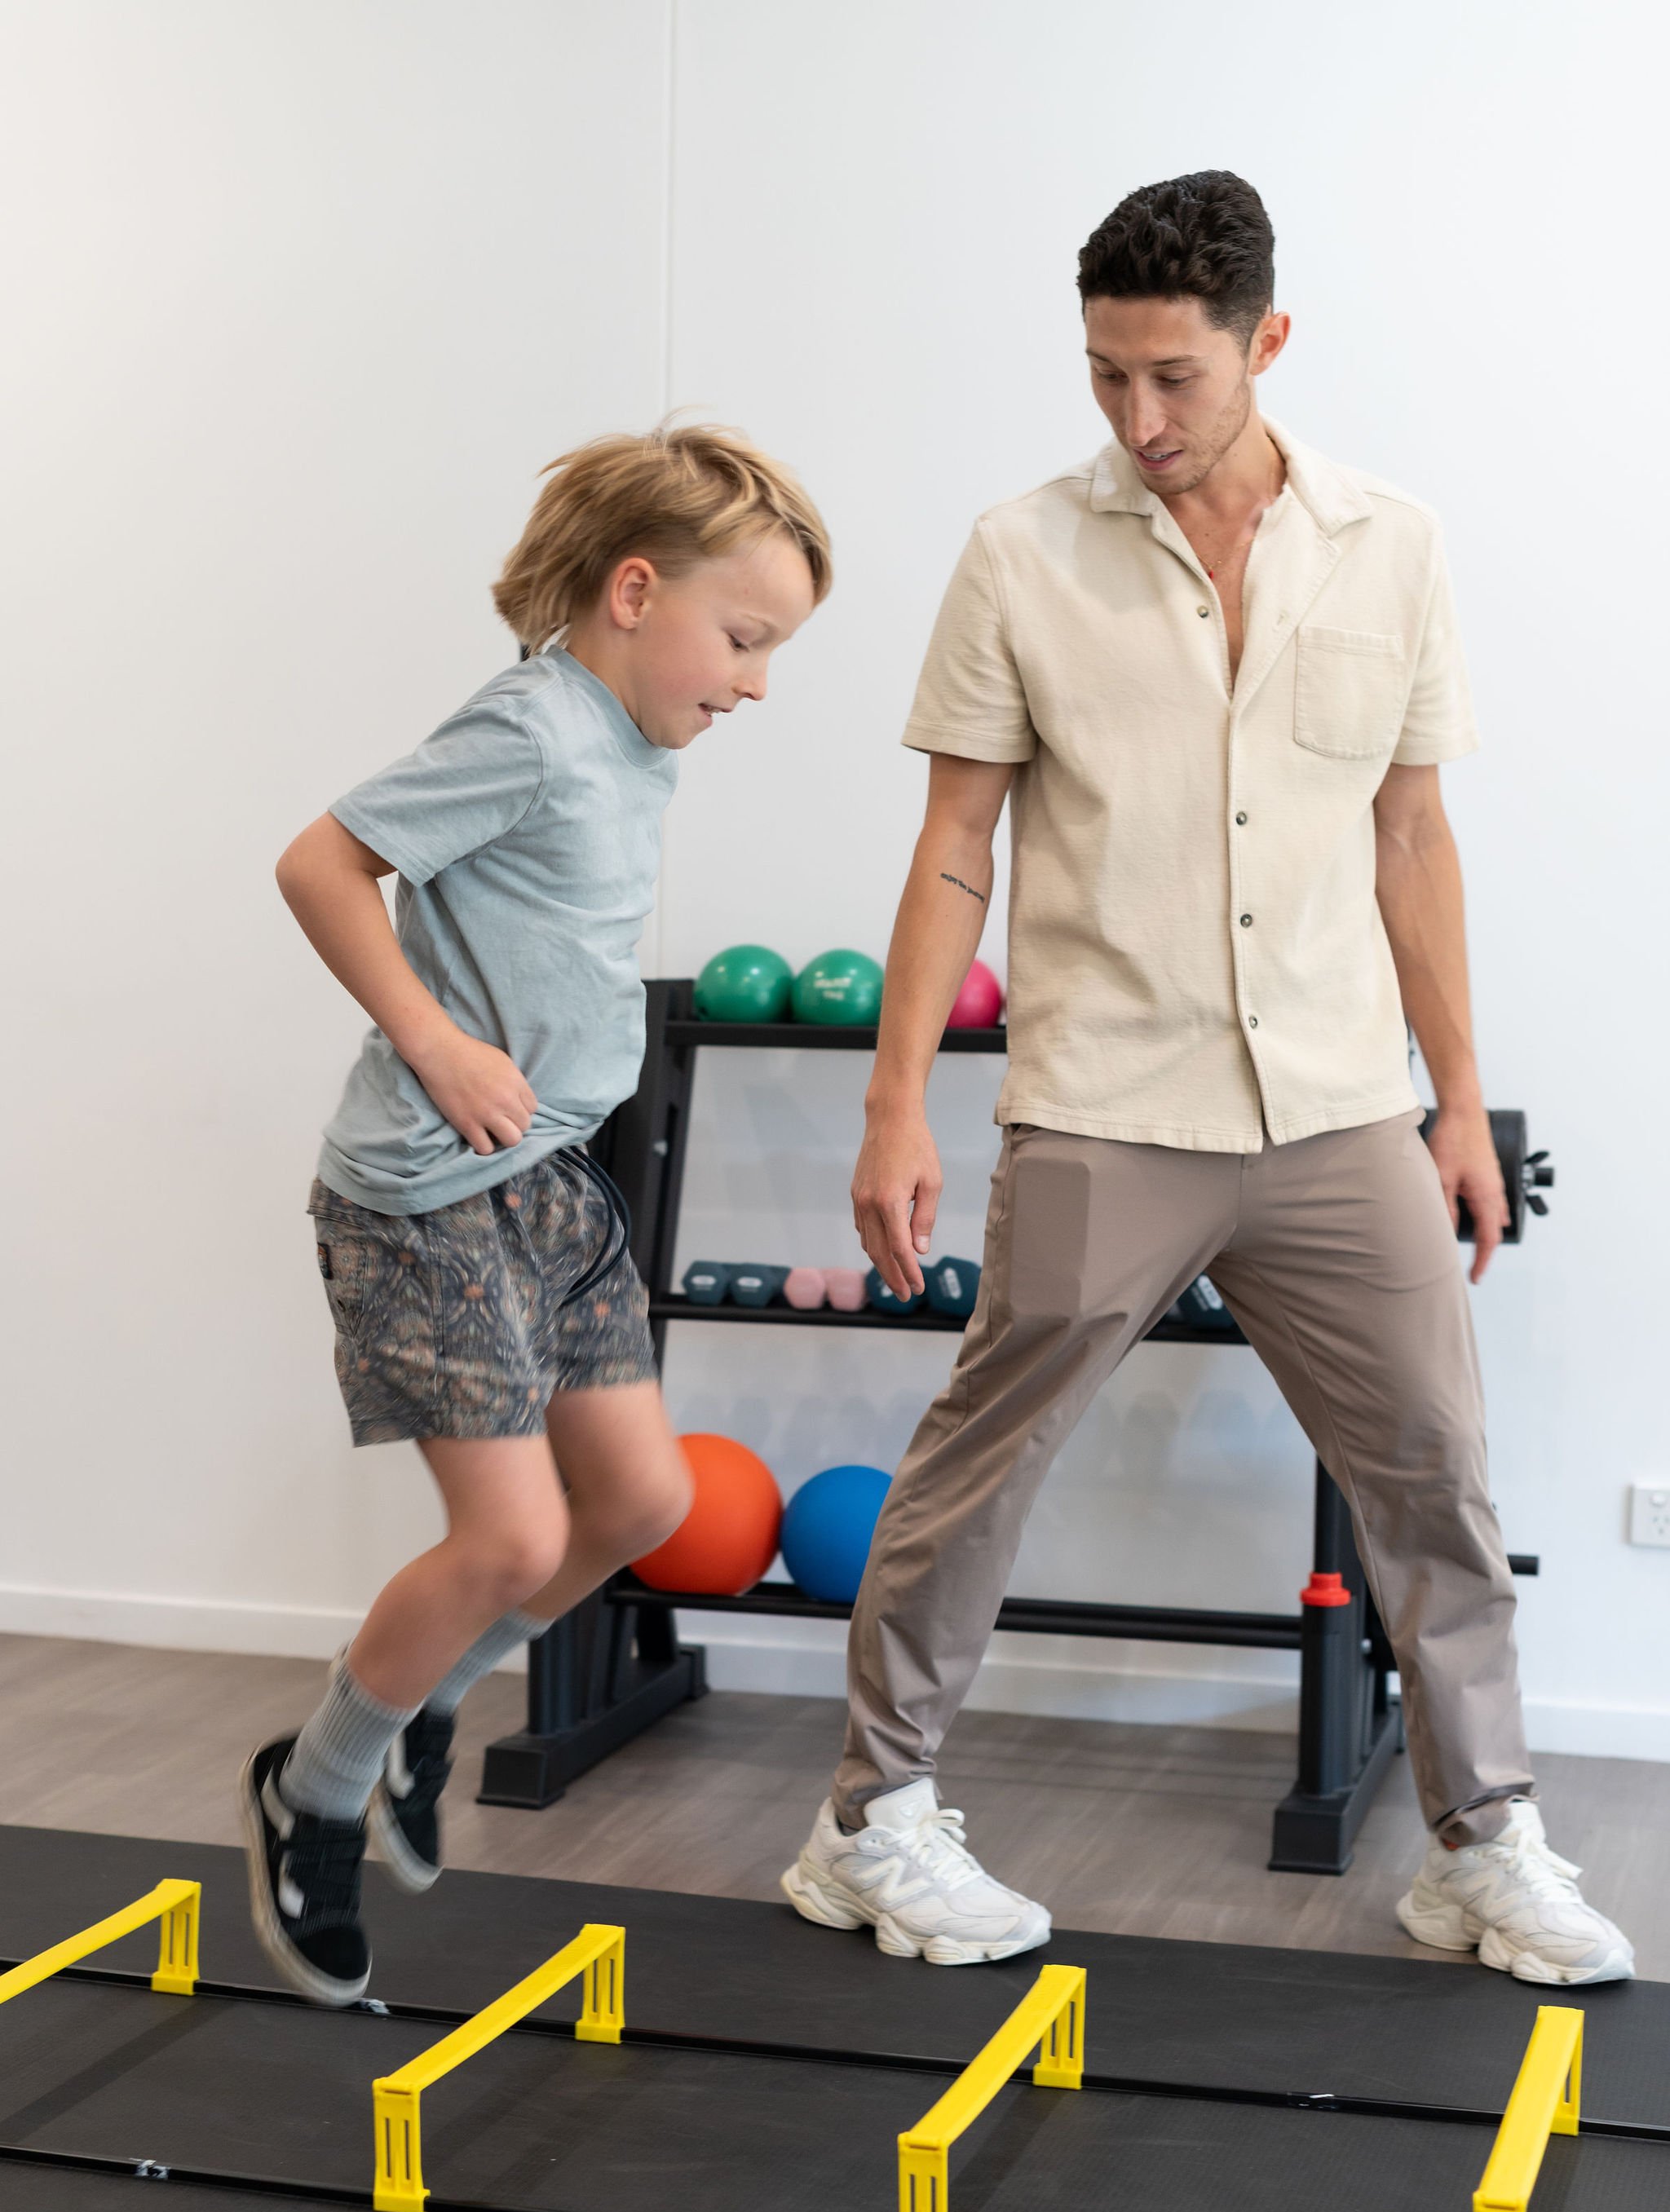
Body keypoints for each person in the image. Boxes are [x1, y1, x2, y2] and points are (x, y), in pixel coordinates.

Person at [781, 170, 1632, 1987]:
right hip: (1104, 1098)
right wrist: (891, 1100)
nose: (1139, 421)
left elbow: (1413, 837)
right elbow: (954, 846)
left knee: (1434, 1475)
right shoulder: (1020, 552)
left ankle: (1483, 1845)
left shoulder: (1388, 544)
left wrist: (1457, 1100)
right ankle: (869, 1822)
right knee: (978, 1465)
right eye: (1104, 378)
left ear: (1267, 342)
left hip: (1335, 1105)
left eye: (1173, 376)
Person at [245, 425, 830, 2002]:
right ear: (635, 590)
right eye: (744, 640)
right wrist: (433, 1041)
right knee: (511, 1535)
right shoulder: (533, 722)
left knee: (635, 1510)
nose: (756, 683)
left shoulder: (631, 739)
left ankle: (426, 1695)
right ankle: (310, 1787)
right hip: (426, 1199)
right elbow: (319, 863)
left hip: (549, 1186)